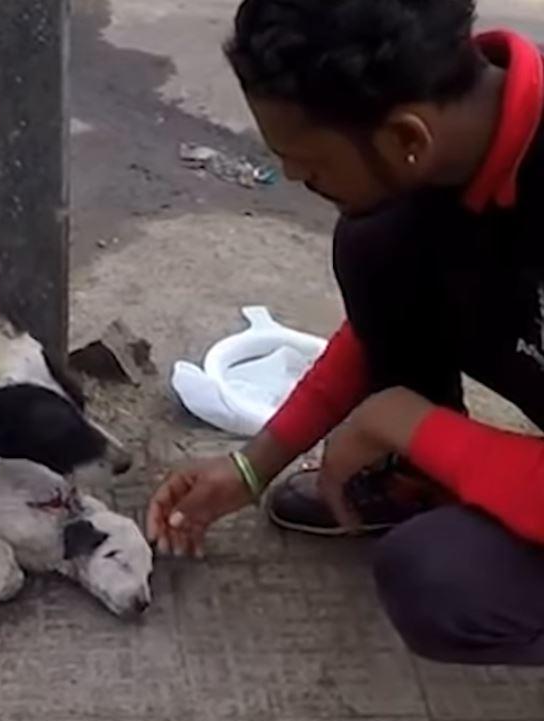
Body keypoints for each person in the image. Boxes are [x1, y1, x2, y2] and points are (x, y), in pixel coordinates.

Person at [147, 0, 544, 666]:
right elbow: (383, 319)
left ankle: (433, 462)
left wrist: (409, 422)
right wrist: (250, 466)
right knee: (376, 240)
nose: (299, 180)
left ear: (407, 138)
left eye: (306, 163)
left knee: (442, 581)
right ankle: (419, 478)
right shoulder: (458, 145)